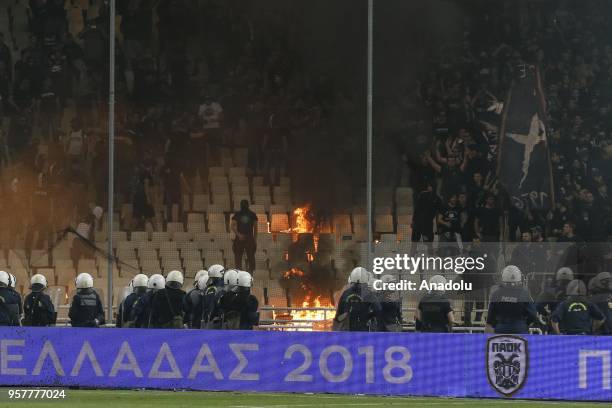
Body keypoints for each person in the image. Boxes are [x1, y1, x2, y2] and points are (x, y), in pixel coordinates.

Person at [486, 265, 539, 334]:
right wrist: (525, 324)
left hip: (501, 328)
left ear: (503, 277)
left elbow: (490, 317)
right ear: (519, 277)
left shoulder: (496, 293)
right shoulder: (524, 293)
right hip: (520, 329)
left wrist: (497, 325)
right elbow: (533, 314)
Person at [333, 267, 381, 332]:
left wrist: (347, 314)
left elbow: (338, 318)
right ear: (366, 280)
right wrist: (368, 316)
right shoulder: (368, 293)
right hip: (363, 332)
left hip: (347, 333)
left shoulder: (346, 293)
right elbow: (378, 309)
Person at [231, 200, 257, 272]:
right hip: (249, 238)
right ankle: (251, 274)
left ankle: (239, 273)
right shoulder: (252, 214)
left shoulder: (237, 214)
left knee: (239, 258)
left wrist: (239, 235)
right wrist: (254, 240)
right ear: (248, 205)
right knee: (250, 257)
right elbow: (256, 228)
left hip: (240, 238)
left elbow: (232, 226)